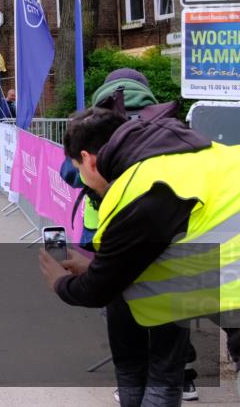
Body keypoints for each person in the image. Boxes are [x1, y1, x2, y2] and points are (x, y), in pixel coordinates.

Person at [41, 96, 240, 407]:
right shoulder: (191, 154)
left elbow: (97, 290)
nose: (81, 179)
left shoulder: (140, 191)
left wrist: (58, 280)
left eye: (78, 168)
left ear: (88, 159)